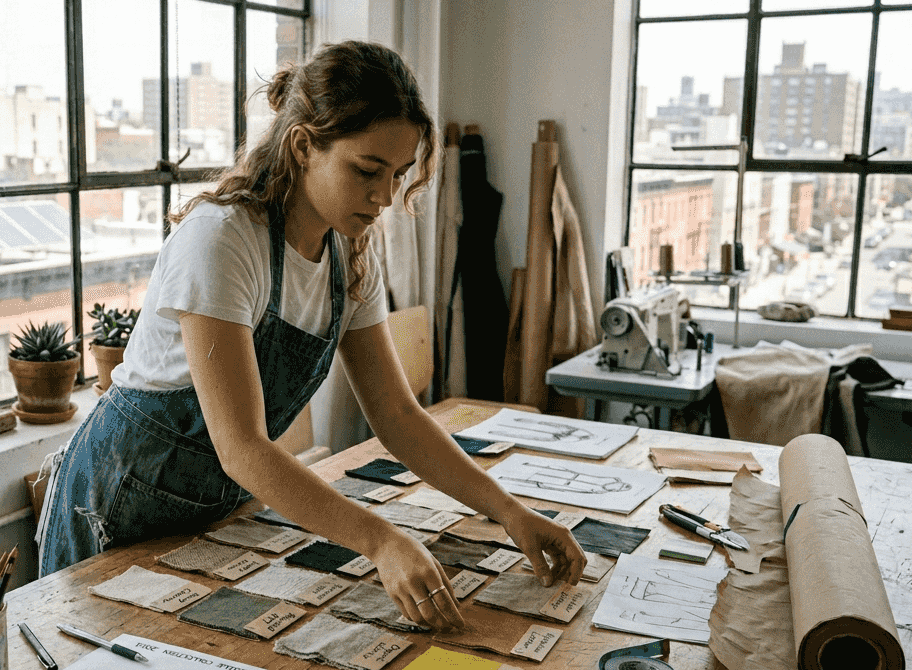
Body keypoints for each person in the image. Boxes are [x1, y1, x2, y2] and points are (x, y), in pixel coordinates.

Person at [37, 40, 584, 630]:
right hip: (116, 514)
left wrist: (508, 510)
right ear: (303, 146)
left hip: (210, 515)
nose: (383, 198)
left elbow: (397, 414)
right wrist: (379, 541)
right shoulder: (221, 240)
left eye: (397, 175)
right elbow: (242, 446)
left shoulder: (349, 255)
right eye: (366, 171)